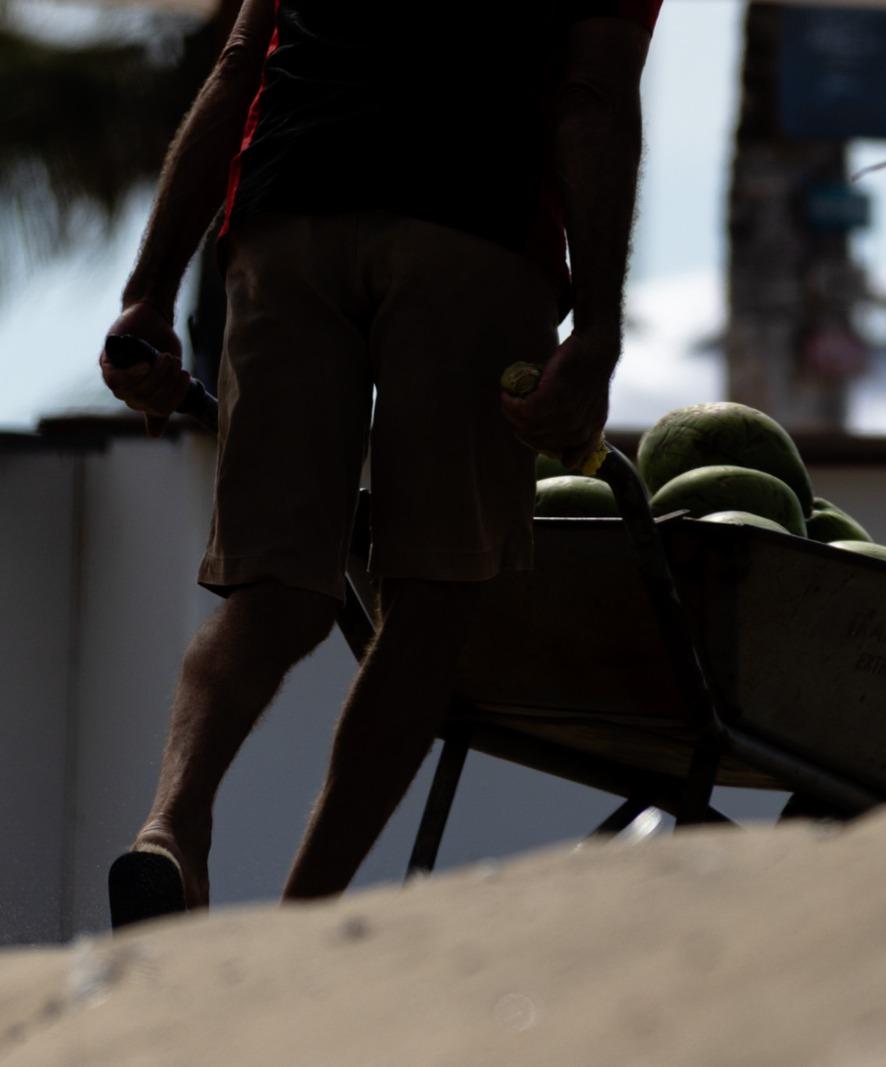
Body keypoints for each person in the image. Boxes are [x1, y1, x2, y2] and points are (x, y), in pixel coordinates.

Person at [99, 0, 660, 927]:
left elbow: (241, 66)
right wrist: (597, 326)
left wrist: (149, 293)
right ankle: (298, 923)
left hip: (286, 222)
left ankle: (170, 827)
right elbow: (594, 91)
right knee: (433, 601)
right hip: (471, 224)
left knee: (271, 592)